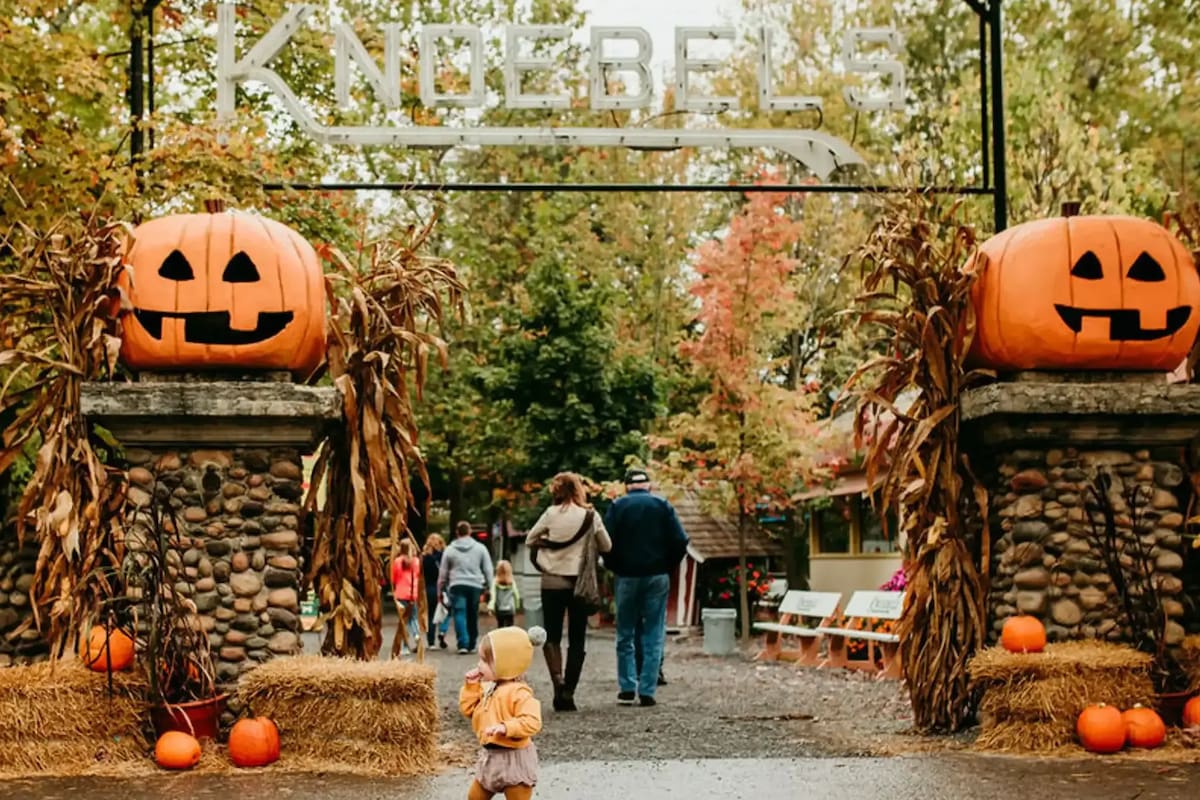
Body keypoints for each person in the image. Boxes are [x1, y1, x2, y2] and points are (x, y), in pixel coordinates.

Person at [525, 472, 612, 712]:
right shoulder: (590, 515)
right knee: (577, 636)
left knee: (551, 635)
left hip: (552, 581)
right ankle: (569, 691)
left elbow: (531, 538)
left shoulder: (550, 514)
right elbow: (607, 545)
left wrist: (548, 544)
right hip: (580, 585)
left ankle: (557, 682)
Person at [603, 467, 688, 707]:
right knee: (654, 631)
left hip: (627, 576)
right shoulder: (662, 506)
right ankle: (648, 688)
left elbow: (605, 543)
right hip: (657, 575)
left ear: (626, 486)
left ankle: (627, 686)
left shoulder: (618, 507)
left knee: (625, 633)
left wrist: (615, 566)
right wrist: (667, 565)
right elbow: (681, 541)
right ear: (649, 485)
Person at [460, 625, 546, 800]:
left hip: (514, 758)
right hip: (490, 757)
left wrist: (506, 728)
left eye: (485, 661)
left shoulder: (520, 693)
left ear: (506, 663)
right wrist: (471, 687)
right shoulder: (488, 688)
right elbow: (468, 710)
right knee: (474, 797)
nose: (479, 665)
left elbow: (532, 722)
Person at [438, 520, 495, 654]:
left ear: (457, 532)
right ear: (469, 532)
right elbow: (487, 568)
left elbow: (443, 571)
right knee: (472, 614)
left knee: (459, 613)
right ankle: (472, 643)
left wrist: (440, 587)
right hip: (475, 585)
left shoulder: (450, 550)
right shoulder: (480, 548)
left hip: (456, 584)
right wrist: (490, 586)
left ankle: (462, 643)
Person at [389, 538, 422, 659]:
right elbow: (417, 575)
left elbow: (394, 578)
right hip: (412, 594)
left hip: (401, 594)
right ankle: (417, 635)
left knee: (403, 622)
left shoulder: (397, 562)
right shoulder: (416, 562)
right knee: (414, 618)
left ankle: (405, 647)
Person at [422, 533, 450, 649]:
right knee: (446, 611)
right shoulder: (445, 556)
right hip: (442, 587)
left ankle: (431, 642)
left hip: (428, 588)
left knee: (430, 615)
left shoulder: (424, 558)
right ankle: (442, 631)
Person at [488, 559, 521, 629]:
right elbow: (516, 595)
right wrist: (517, 606)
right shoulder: (512, 582)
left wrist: (491, 607)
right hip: (510, 610)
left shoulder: (495, 582)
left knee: (500, 626)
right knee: (510, 627)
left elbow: (493, 596)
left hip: (500, 610)